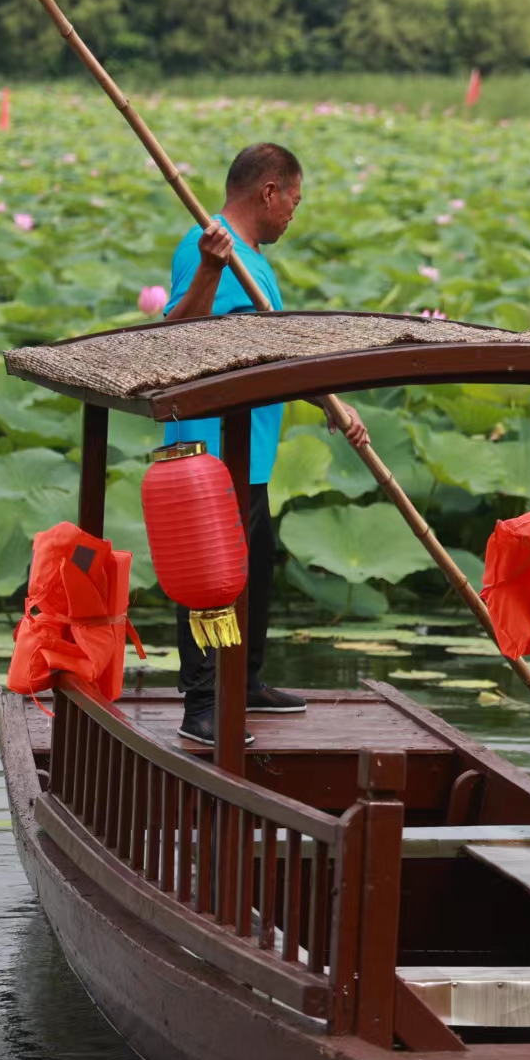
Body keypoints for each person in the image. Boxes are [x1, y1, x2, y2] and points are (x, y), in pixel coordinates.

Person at [160, 142, 368, 746]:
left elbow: (268, 355)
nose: (293, 216)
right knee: (210, 581)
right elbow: (176, 337)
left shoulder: (257, 261)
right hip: (206, 453)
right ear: (269, 191)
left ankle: (244, 681)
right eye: (293, 202)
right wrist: (208, 268)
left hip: (248, 455)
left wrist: (329, 399)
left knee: (257, 567)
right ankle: (202, 704)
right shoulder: (206, 246)